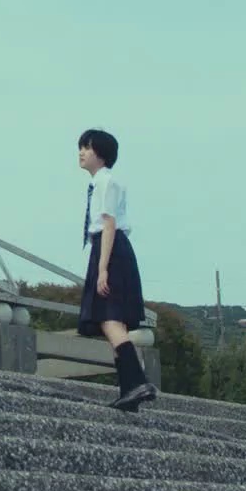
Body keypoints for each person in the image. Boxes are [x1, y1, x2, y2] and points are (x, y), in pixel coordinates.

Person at [76, 128, 156, 411]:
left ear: (101, 153)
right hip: (113, 249)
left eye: (87, 147)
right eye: (81, 147)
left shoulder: (105, 182)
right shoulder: (102, 183)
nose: (81, 153)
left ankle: (137, 383)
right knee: (115, 323)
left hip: (110, 249)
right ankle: (129, 392)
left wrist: (102, 269)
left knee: (109, 320)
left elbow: (108, 224)